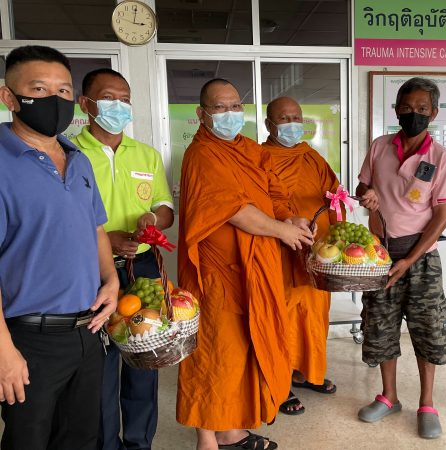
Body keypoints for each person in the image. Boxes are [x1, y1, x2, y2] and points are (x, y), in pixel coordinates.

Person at [177, 79, 314, 450]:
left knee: (243, 349)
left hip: (256, 265)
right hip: (219, 272)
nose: (229, 115)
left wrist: (289, 220)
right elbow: (234, 210)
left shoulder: (249, 149)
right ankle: (207, 438)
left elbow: (271, 193)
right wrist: (279, 231)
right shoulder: (202, 154)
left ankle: (231, 430)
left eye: (235, 106)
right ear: (201, 114)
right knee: (213, 351)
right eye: (219, 108)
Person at [0, 45, 119, 450]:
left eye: (64, 91)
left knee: (82, 437)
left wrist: (112, 280)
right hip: (26, 339)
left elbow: (96, 229)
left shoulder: (79, 159)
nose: (55, 99)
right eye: (39, 88)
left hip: (87, 332)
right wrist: (4, 353)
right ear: (9, 97)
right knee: (29, 441)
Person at [72, 68, 174, 450]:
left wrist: (152, 219)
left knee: (143, 363)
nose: (120, 106)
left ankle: (138, 442)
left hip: (141, 270)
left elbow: (165, 207)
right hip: (89, 272)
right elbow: (61, 220)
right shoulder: (69, 153)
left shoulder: (145, 154)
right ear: (86, 104)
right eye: (110, 98)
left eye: (125, 99)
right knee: (98, 371)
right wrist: (105, 240)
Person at [355, 77, 446, 439]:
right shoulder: (380, 146)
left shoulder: (441, 158)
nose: (414, 114)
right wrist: (366, 195)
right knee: (380, 326)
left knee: (428, 329)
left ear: (434, 113)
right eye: (408, 107)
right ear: (396, 109)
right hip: (379, 254)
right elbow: (361, 185)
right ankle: (388, 396)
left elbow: (441, 216)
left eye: (423, 109)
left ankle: (427, 403)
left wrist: (409, 261)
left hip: (422, 258)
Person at [262, 96, 339, 415]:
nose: (293, 124)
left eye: (297, 118)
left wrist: (333, 240)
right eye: (284, 118)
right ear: (269, 125)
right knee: (279, 318)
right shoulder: (257, 157)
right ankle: (278, 385)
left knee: (312, 315)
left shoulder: (312, 157)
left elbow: (334, 197)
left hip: (315, 252)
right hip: (277, 253)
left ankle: (309, 372)